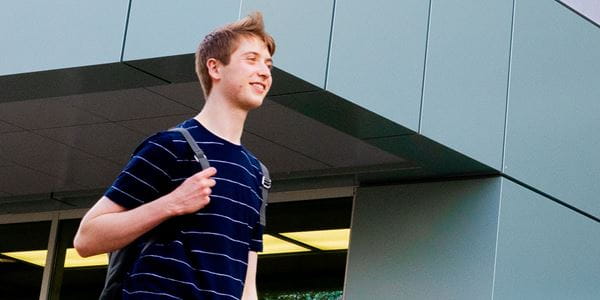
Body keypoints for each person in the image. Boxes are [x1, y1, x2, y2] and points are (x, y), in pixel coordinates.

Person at [74, 11, 275, 300]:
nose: (265, 72)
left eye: (268, 64)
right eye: (251, 60)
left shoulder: (256, 173)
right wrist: (172, 203)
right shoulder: (171, 146)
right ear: (215, 68)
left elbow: (247, 282)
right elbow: (87, 238)